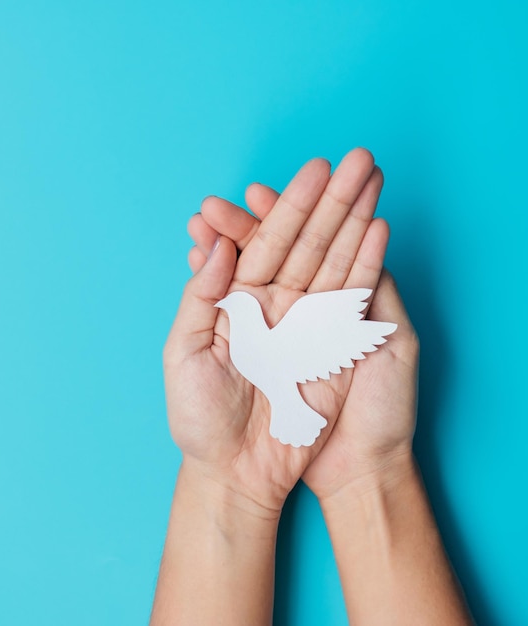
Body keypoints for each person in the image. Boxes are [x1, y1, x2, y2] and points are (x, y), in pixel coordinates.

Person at [150, 149, 474, 625]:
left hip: (292, 399)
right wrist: (227, 478)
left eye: (235, 308)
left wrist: (371, 469)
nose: (229, 309)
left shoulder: (263, 336)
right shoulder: (245, 344)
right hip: (283, 403)